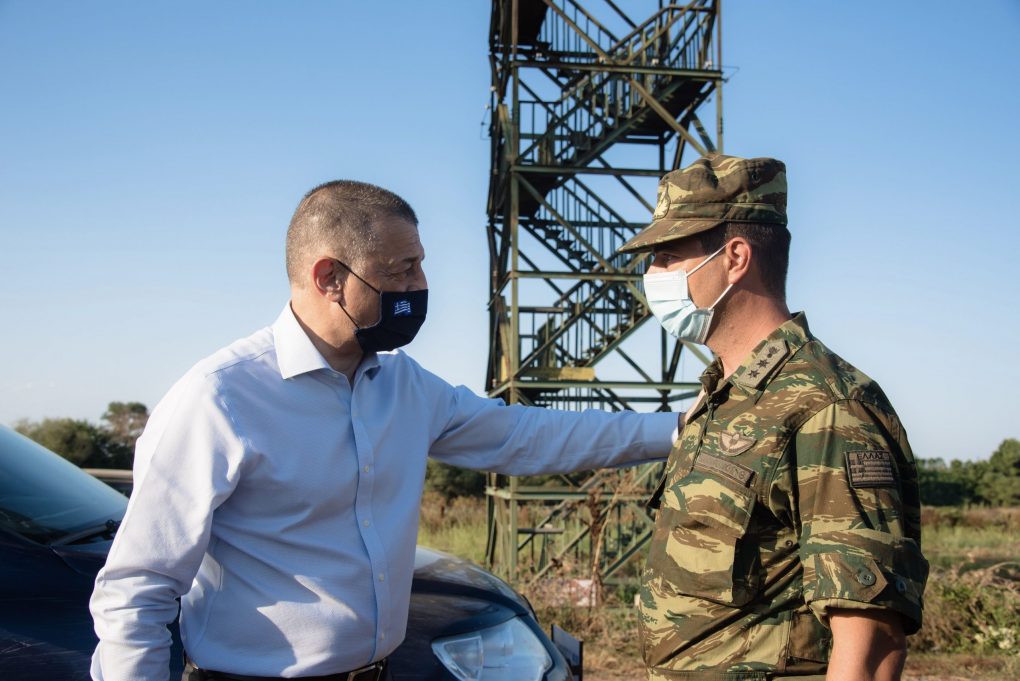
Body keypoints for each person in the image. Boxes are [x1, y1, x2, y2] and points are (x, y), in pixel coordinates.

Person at [89, 180, 680, 681]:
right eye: (400, 269)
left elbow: (524, 435)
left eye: (420, 265)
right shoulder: (220, 398)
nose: (419, 286)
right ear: (328, 277)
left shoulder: (405, 387)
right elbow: (136, 590)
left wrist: (678, 431)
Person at [619, 154, 928, 681]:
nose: (652, 277)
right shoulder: (726, 397)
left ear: (735, 257)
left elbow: (870, 638)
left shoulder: (827, 408)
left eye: (667, 257)